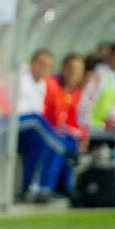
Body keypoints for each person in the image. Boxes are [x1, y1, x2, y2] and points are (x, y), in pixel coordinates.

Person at [16, 48, 70, 201]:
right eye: (41, 64)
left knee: (44, 143)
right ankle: (63, 149)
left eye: (48, 66)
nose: (44, 68)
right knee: (38, 121)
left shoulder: (43, 85)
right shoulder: (20, 76)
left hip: (31, 129)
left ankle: (40, 189)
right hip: (14, 122)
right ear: (32, 63)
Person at [40, 53, 87, 201]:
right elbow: (51, 117)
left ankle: (66, 188)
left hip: (62, 133)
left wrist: (82, 134)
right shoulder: (51, 85)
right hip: (46, 130)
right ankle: (47, 188)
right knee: (60, 143)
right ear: (63, 68)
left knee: (71, 143)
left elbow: (75, 121)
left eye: (79, 70)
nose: (75, 73)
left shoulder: (76, 94)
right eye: (72, 69)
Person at [78, 42, 115, 140]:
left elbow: (114, 108)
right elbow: (86, 99)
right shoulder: (99, 74)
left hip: (101, 127)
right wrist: (84, 126)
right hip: (89, 127)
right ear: (110, 57)